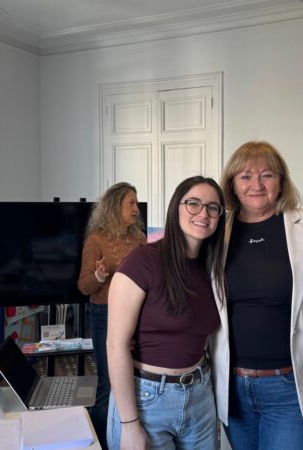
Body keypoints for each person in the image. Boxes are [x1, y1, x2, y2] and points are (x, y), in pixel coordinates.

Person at [211, 141, 303, 450]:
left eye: (267, 175)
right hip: (234, 386)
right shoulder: (217, 231)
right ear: (232, 184)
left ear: (281, 182)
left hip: (288, 385)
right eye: (245, 176)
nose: (256, 185)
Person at [106, 176, 226, 450]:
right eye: (193, 204)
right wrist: (129, 423)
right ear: (176, 208)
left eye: (212, 207)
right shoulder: (142, 261)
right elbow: (115, 345)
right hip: (147, 398)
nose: (203, 214)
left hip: (199, 396)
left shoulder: (213, 268)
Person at [78, 182, 147, 449]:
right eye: (131, 203)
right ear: (115, 205)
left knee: (135, 378)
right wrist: (98, 276)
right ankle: (101, 443)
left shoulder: (139, 239)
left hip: (138, 315)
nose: (136, 208)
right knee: (109, 384)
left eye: (136, 203)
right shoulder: (96, 240)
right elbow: (84, 286)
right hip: (105, 314)